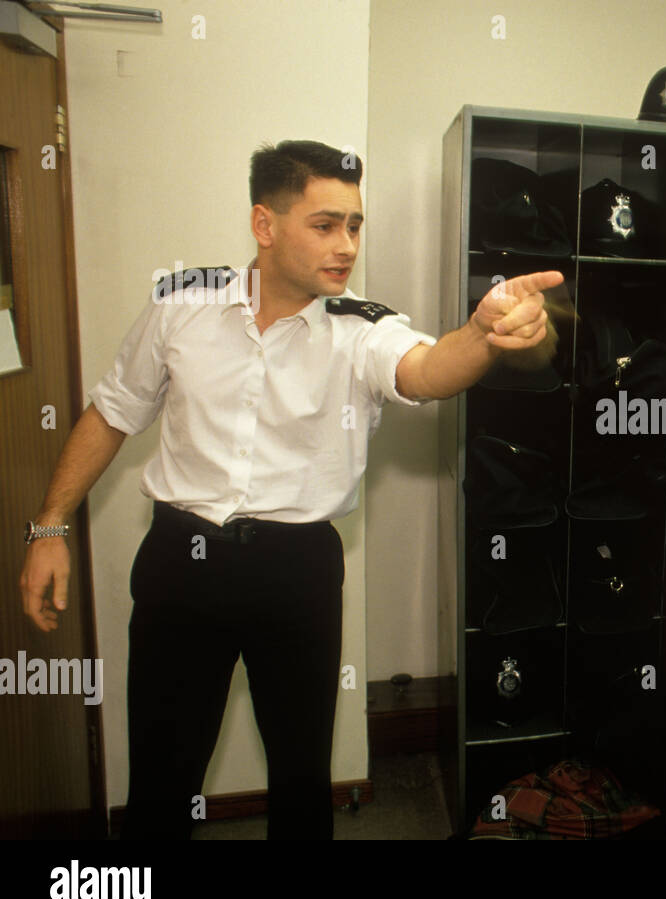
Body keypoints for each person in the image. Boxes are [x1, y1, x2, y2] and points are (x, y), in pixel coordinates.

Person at [18, 140, 558, 839]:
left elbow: (426, 371)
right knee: (160, 779)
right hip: (182, 566)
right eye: (325, 224)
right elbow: (112, 413)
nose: (346, 245)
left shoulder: (360, 331)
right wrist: (51, 525)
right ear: (264, 225)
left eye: (355, 226)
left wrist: (484, 335)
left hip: (296, 572)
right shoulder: (181, 307)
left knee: (302, 783)